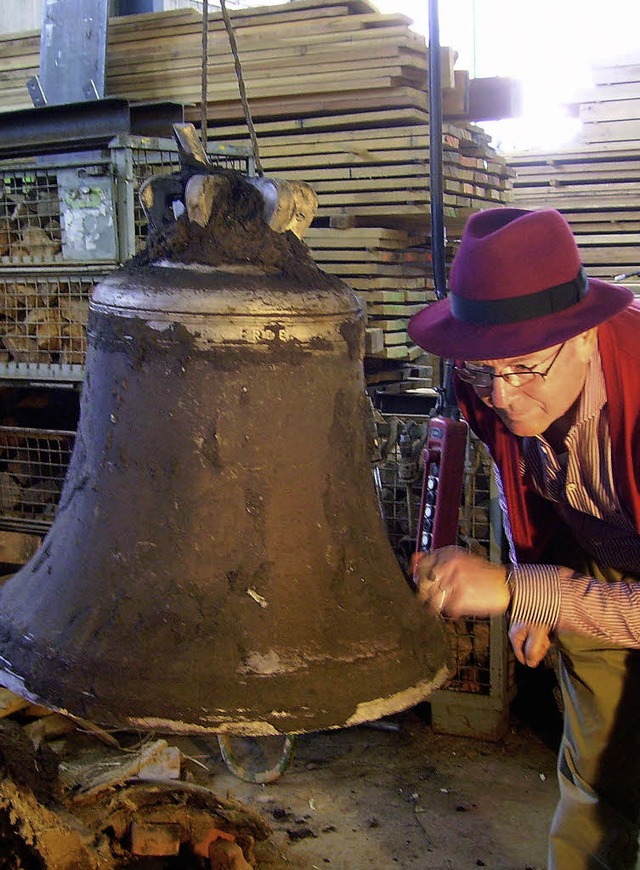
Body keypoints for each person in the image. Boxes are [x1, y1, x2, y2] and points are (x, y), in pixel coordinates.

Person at [407, 206, 640, 870]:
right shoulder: (487, 377)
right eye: (485, 373)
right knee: (599, 777)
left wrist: (519, 588)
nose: (504, 397)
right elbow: (520, 482)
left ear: (587, 337)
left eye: (526, 370)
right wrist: (531, 578)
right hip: (597, 550)